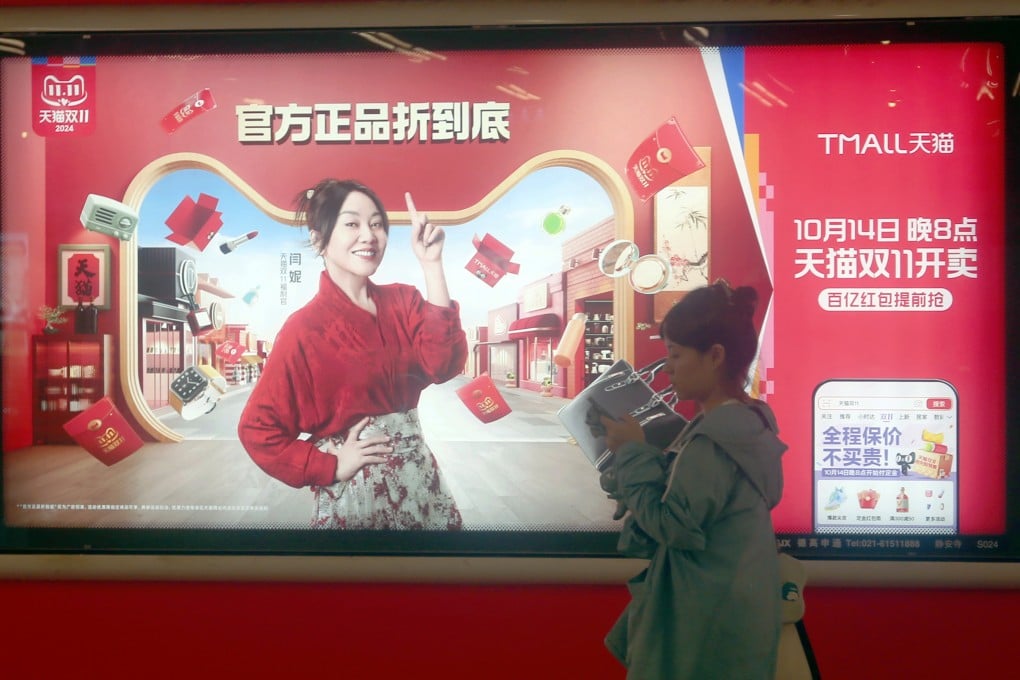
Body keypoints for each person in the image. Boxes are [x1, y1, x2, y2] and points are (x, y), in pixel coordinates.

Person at [238, 179, 467, 530]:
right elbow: (257, 428)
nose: (369, 235)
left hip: (421, 479)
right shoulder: (303, 328)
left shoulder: (404, 300)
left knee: (436, 582)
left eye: (376, 224)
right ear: (319, 240)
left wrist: (432, 265)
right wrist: (330, 466)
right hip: (358, 492)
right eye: (352, 224)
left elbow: (443, 365)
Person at [599, 280, 786, 679]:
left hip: (702, 623)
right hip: (732, 616)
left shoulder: (715, 437)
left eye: (675, 354)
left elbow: (673, 525)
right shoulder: (750, 421)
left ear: (715, 355)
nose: (667, 367)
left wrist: (632, 452)